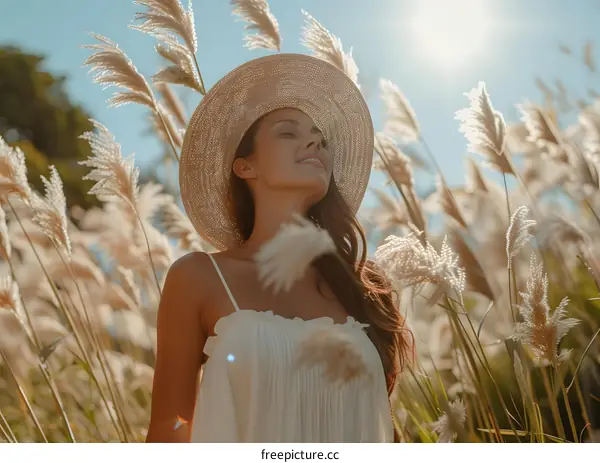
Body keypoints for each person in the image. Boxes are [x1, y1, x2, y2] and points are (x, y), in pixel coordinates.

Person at [145, 53, 412, 443]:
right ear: (245, 167)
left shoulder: (365, 285)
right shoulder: (198, 276)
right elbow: (169, 430)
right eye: (288, 132)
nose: (315, 141)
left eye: (320, 137)